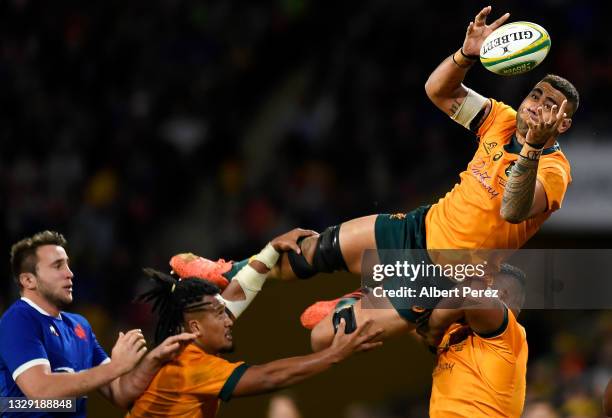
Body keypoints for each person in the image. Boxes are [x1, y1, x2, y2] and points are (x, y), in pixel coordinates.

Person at [170, 5, 580, 352]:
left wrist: (531, 149)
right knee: (315, 249)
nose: (539, 106)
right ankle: (227, 271)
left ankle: (354, 303)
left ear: (562, 124)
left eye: (552, 106)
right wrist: (466, 54)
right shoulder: (502, 119)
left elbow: (512, 210)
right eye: (537, 95)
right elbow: (438, 91)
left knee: (322, 338)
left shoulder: (555, 171)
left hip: (446, 274)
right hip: (420, 227)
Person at [128, 228, 382, 418]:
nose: (228, 320)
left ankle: (227, 271)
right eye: (220, 314)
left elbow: (237, 295)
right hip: (409, 263)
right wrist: (335, 353)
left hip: (406, 267)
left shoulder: (190, 344)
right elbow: (269, 377)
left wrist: (271, 249)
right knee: (411, 270)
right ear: (195, 327)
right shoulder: (189, 366)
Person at [0, 231, 197, 417]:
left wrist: (154, 359)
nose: (70, 273)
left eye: (68, 265)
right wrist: (115, 367)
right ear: (28, 280)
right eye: (57, 266)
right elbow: (40, 391)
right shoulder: (18, 320)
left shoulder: (80, 326)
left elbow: (120, 392)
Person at [415, 264, 528, 418]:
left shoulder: (509, 333)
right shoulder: (456, 331)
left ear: (501, 295)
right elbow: (420, 330)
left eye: (485, 286)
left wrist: (434, 328)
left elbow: (471, 296)